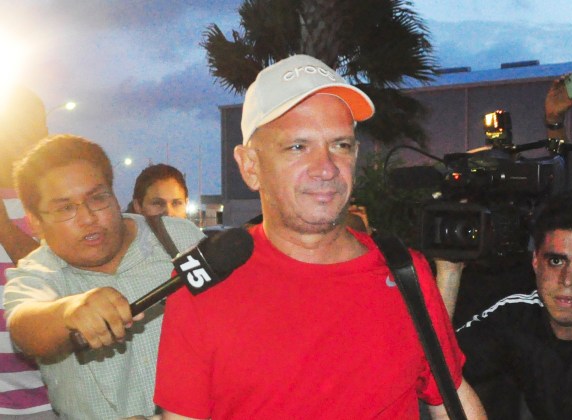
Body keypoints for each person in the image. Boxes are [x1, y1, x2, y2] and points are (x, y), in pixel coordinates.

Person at [153, 54, 485, 419]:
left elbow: (452, 401)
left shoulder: (406, 272)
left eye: (340, 145)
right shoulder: (203, 281)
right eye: (298, 147)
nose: (326, 168)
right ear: (250, 166)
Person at [3, 135, 205, 419]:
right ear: (35, 220)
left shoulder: (180, 238)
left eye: (98, 198)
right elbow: (25, 326)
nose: (88, 218)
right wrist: (68, 312)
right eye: (65, 208)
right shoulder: (38, 272)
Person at [436, 190, 572, 418]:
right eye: (556, 261)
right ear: (535, 261)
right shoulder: (518, 314)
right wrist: (449, 272)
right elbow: (432, 366)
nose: (568, 279)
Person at [0, 85, 56, 419]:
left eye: (33, 126)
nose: (23, 137)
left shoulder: (58, 204)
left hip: (51, 397)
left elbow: (65, 278)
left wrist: (6, 230)